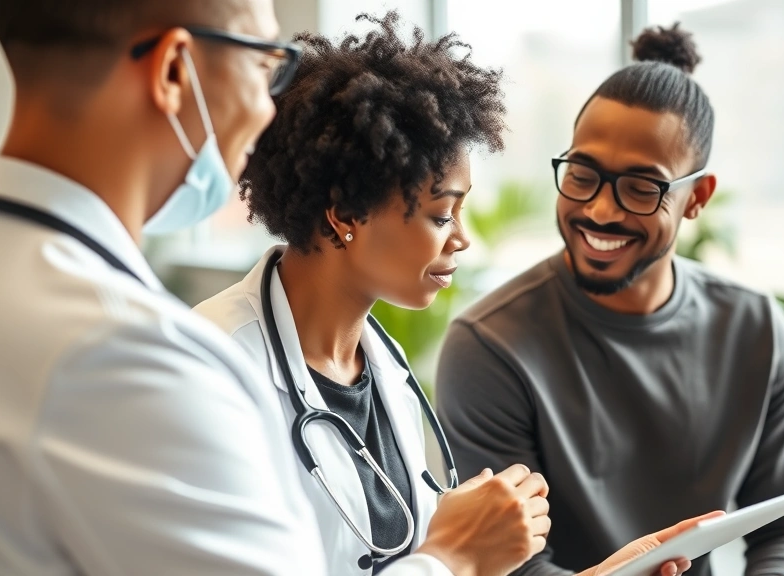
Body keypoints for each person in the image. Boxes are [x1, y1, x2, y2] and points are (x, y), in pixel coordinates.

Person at [194, 13, 722, 576]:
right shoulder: (216, 369)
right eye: (442, 213)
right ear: (346, 212)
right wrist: (454, 557)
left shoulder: (384, 371)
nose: (463, 237)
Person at [434, 23, 784, 576]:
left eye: (642, 187)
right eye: (584, 174)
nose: (599, 210)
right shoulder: (491, 347)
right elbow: (510, 565)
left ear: (697, 198)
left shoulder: (758, 331)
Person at [0, 0, 330, 574]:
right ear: (175, 69)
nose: (268, 110)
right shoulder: (121, 356)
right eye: (265, 66)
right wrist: (447, 560)